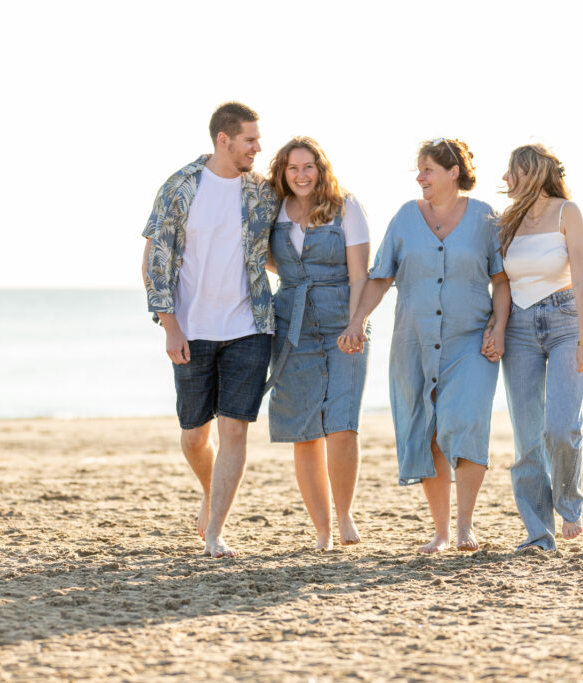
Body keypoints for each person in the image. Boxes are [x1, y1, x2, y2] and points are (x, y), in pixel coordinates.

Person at [339, 138, 509, 554]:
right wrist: (357, 320)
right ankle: (441, 531)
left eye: (428, 168)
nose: (420, 177)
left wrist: (500, 327)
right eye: (419, 169)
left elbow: (502, 280)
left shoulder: (486, 218)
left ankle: (465, 524)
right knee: (429, 432)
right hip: (413, 342)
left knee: (466, 422)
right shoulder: (404, 217)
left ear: (453, 172)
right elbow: (380, 277)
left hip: (471, 341)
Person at [141, 102, 278, 558]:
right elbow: (153, 263)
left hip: (249, 326)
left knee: (235, 430)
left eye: (257, 140)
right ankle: (209, 490)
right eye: (250, 140)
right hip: (192, 327)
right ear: (224, 139)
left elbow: (275, 251)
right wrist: (170, 327)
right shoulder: (180, 187)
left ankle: (216, 530)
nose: (258, 148)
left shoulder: (261, 191)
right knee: (195, 434)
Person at [482, 143, 583, 551]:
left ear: (530, 173)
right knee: (527, 438)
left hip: (565, 322)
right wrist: (497, 327)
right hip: (520, 330)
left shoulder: (568, 213)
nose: (507, 180)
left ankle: (569, 502)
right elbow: (502, 284)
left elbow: (580, 279)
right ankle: (538, 532)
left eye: (513, 172)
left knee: (560, 428)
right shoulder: (504, 221)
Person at [265, 137, 371, 550]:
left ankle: (345, 517)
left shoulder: (347, 206)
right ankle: (323, 531)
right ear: (283, 173)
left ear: (320, 169)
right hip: (291, 322)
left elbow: (360, 273)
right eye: (293, 168)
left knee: (341, 424)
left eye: (308, 166)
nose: (301, 175)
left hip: (342, 322)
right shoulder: (274, 211)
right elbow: (270, 259)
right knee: (303, 431)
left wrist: (357, 322)